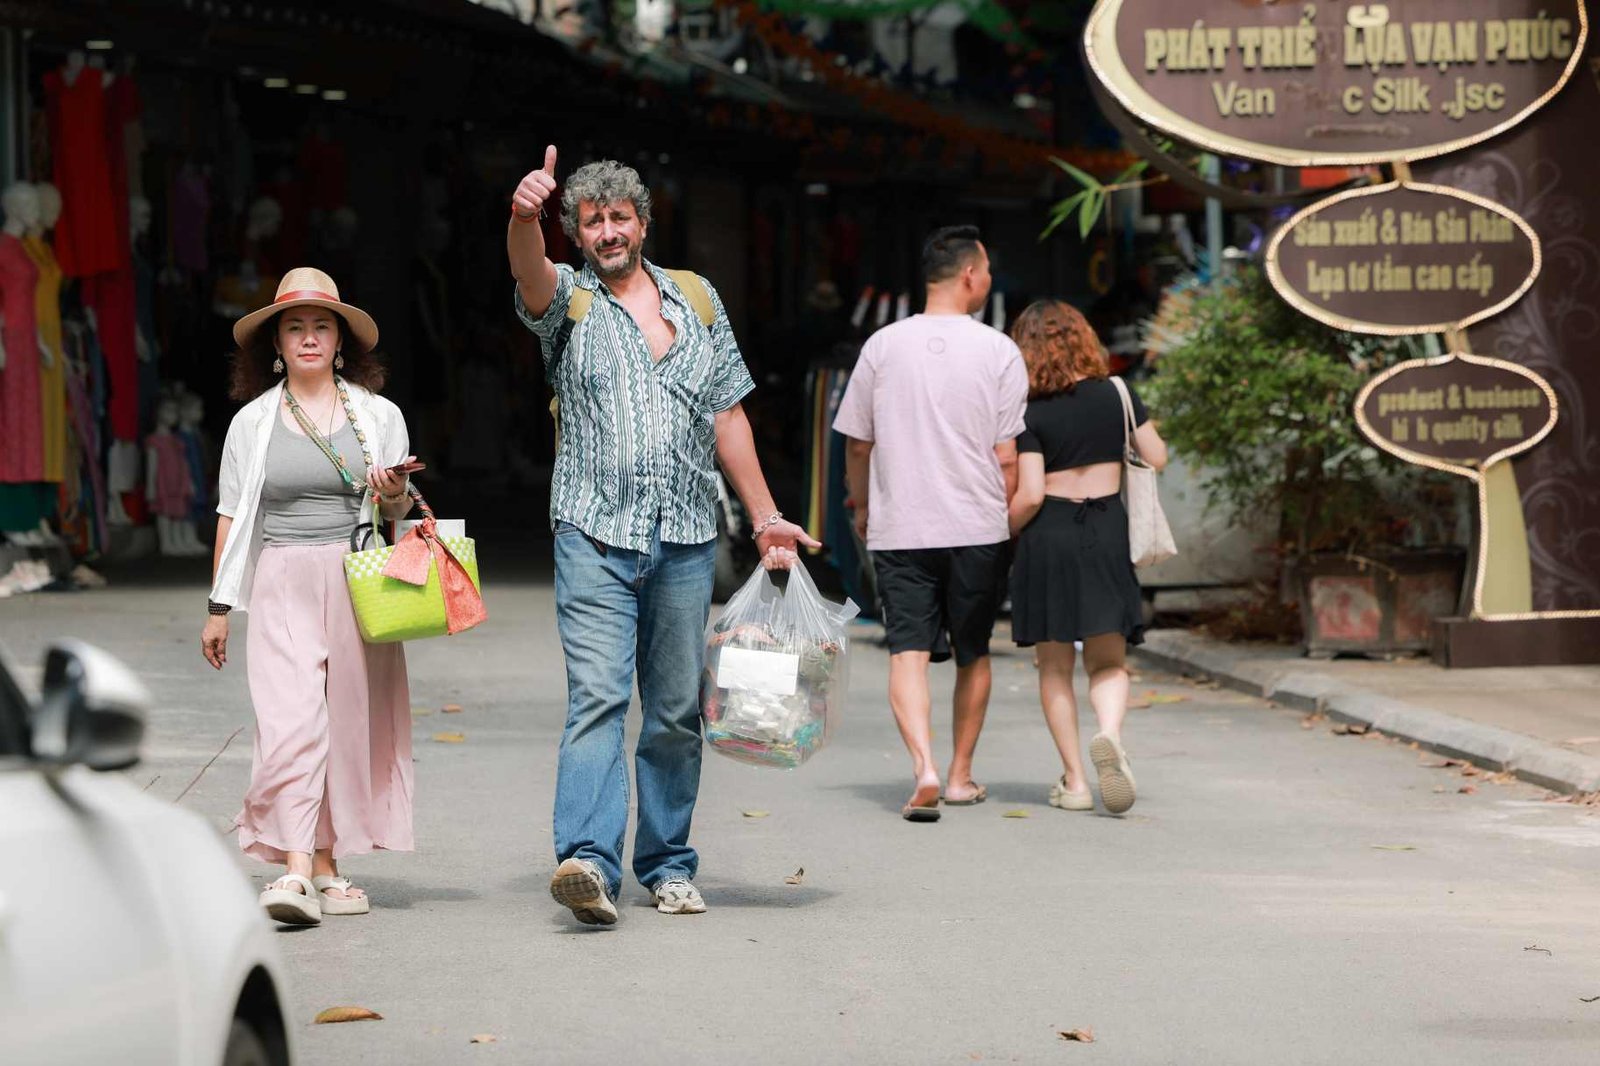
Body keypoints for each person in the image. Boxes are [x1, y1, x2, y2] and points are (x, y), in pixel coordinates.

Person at [507, 147, 816, 926]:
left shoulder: (697, 300)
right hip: (592, 533)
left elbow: (728, 415)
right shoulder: (568, 300)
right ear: (575, 235)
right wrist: (522, 217)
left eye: (619, 217)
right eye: (591, 221)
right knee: (599, 700)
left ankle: (668, 863)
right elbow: (527, 273)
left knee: (676, 710)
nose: (608, 231)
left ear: (642, 223)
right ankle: (588, 860)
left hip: (684, 539)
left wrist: (766, 516)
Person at [201, 267, 419, 925]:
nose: (308, 337)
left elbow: (400, 510)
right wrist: (218, 607)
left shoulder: (380, 416)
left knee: (347, 725)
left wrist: (390, 491)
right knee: (291, 723)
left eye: (321, 325)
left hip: (359, 577)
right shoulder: (253, 422)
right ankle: (295, 868)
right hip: (281, 582)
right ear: (275, 342)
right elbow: (231, 515)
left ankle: (326, 864)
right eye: (294, 326)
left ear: (341, 340)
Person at [831, 225, 1028, 823]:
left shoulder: (883, 346)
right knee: (974, 652)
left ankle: (924, 768)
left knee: (907, 652)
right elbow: (1008, 456)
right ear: (971, 275)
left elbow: (858, 446)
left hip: (903, 527)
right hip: (977, 526)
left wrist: (862, 508)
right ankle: (962, 775)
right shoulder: (999, 350)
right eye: (987, 269)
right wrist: (1005, 515)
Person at [1005, 300, 1168, 815]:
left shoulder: (1027, 409)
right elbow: (1157, 456)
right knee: (1108, 660)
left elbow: (1029, 493)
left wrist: (1001, 532)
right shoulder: (1118, 394)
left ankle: (1075, 782)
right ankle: (1110, 734)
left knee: (1054, 666)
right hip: (1106, 529)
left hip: (1048, 533)